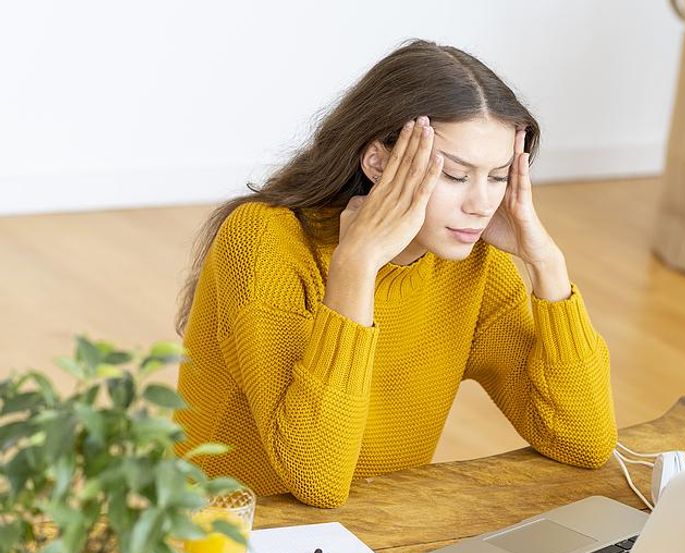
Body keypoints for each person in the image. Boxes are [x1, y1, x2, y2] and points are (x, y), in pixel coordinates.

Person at [173, 39, 617, 509]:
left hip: (366, 532)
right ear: (378, 161)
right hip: (218, 536)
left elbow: (583, 441)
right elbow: (316, 477)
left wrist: (547, 265)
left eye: (498, 176)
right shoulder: (265, 241)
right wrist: (356, 267)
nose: (481, 204)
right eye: (455, 175)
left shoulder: (475, 269)